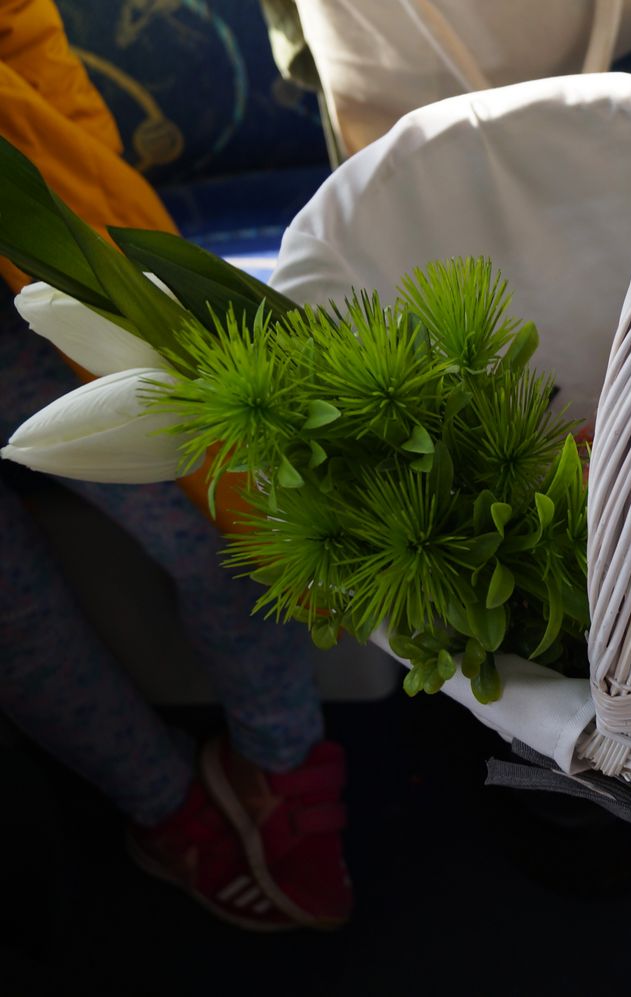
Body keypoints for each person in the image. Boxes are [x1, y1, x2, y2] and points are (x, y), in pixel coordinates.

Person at [0, 0, 351, 931]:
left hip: (24, 245)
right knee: (10, 610)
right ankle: (168, 807)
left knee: (218, 510)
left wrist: (77, 168)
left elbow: (22, 23)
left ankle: (279, 763)